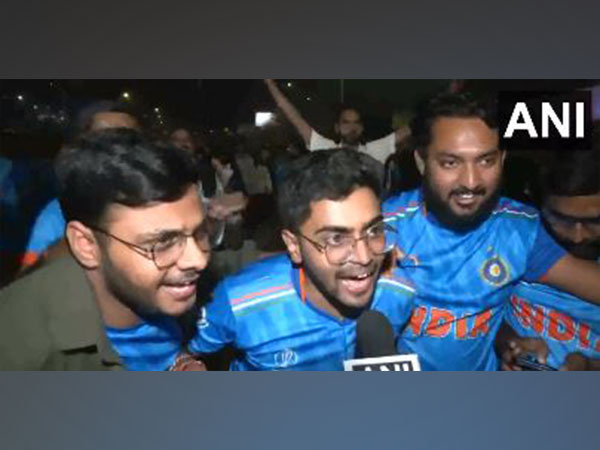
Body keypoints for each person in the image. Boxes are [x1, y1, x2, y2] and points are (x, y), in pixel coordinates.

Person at [383, 92, 600, 371]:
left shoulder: (520, 229)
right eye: (451, 162)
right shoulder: (382, 226)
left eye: (486, 161)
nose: (471, 182)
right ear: (422, 162)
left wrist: (513, 344)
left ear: (503, 158)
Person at [0, 129, 210, 370]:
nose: (198, 260)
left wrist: (180, 360)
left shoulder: (175, 286)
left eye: (200, 232)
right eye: (162, 243)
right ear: (86, 245)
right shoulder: (19, 353)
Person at [188, 149, 415, 370]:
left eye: (373, 231)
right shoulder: (241, 302)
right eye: (336, 239)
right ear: (293, 245)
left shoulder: (399, 291)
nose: (365, 257)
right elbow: (176, 352)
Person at [497, 147, 600, 371]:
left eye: (594, 222)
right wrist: (510, 345)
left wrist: (589, 366)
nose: (578, 235)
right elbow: (482, 315)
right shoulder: (516, 233)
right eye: (561, 219)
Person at [20, 103, 141, 272]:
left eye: (126, 138)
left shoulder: (164, 204)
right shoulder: (57, 214)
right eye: (102, 137)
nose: (115, 147)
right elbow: (25, 282)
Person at [264, 79, 410, 165]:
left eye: (356, 122)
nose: (352, 127)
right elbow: (295, 117)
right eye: (346, 122)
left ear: (362, 127)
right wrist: (270, 83)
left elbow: (409, 128)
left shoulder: (375, 150)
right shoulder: (326, 149)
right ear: (337, 127)